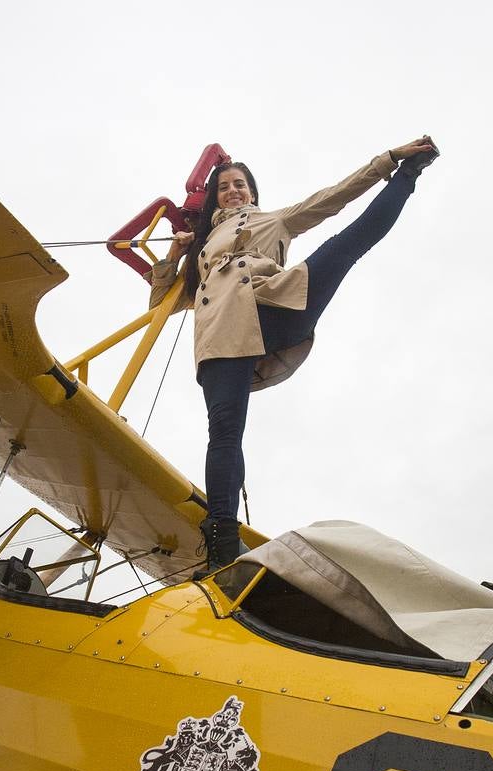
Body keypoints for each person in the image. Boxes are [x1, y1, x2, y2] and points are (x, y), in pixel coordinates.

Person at [148, 137, 439, 573]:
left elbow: (333, 197)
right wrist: (174, 254)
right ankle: (222, 539)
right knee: (225, 431)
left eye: (240, 185)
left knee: (344, 246)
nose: (233, 191)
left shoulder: (272, 222)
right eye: (224, 186)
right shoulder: (201, 251)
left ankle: (410, 177)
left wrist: (391, 160)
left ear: (252, 192)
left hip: (275, 305)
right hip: (222, 335)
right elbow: (158, 305)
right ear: (214, 198)